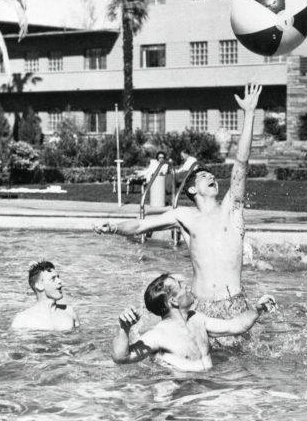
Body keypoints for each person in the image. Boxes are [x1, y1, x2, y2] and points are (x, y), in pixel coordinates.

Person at [94, 83, 262, 338]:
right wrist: (115, 228)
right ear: (192, 190)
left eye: (212, 174)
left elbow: (241, 162)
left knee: (239, 373)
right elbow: (141, 226)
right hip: (200, 307)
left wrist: (249, 115)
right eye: (204, 175)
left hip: (236, 304)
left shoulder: (232, 208)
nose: (211, 177)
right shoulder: (185, 217)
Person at [112, 273, 276, 371]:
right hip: (180, 393)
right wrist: (124, 328)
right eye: (181, 286)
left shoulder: (197, 319)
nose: (187, 286)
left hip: (205, 388)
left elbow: (236, 326)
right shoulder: (158, 336)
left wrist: (257, 309)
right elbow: (121, 357)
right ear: (174, 301)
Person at [11, 261, 80, 331]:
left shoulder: (69, 312)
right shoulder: (23, 320)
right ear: (39, 285)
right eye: (53, 278)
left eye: (58, 277)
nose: (59, 281)